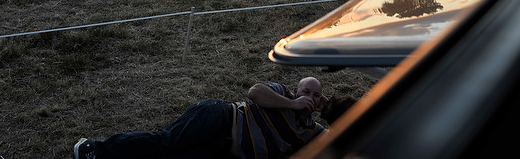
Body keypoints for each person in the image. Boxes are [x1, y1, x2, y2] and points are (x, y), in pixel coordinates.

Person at [74, 76, 333, 159]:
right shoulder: (281, 93)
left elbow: (342, 134)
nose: (309, 96)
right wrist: (292, 103)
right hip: (220, 116)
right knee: (166, 142)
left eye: (315, 95)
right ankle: (94, 149)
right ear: (297, 89)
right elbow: (254, 92)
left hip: (223, 148)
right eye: (306, 91)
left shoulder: (310, 130)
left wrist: (326, 107)